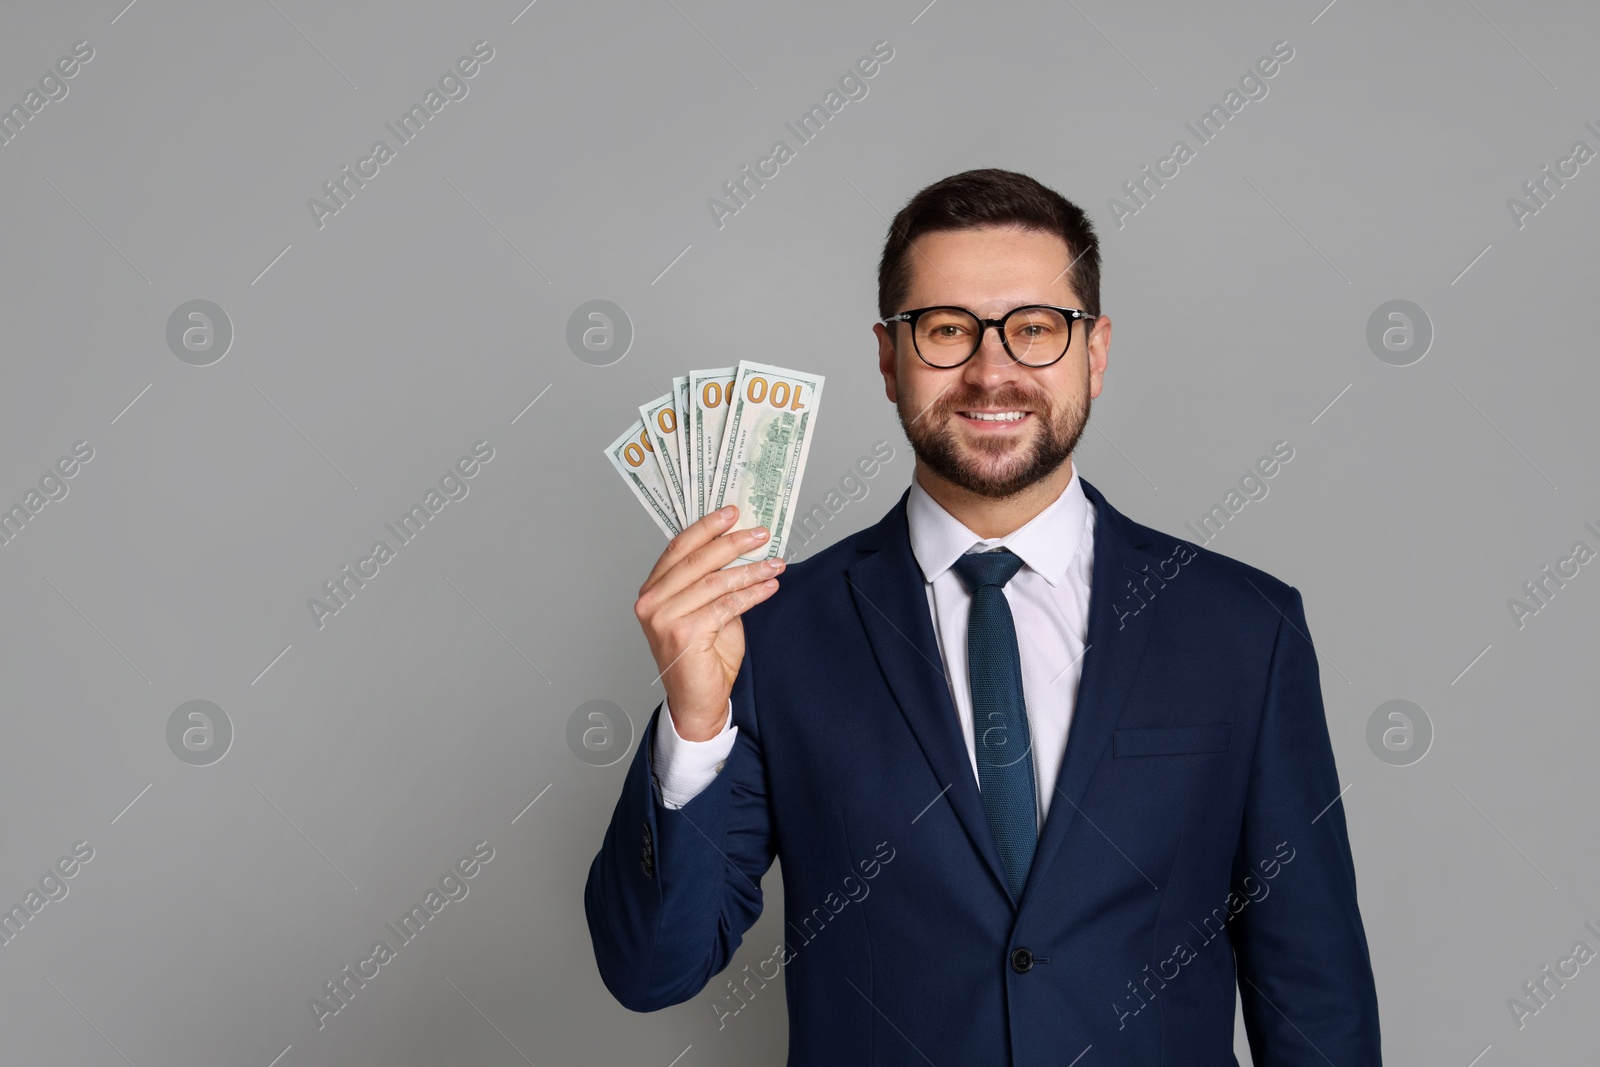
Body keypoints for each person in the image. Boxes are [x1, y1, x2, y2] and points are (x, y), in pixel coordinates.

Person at [585, 168, 1382, 1065]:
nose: (992, 369)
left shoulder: (1244, 630)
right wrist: (695, 722)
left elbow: (1316, 998)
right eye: (947, 329)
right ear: (889, 359)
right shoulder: (772, 634)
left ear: (1097, 352)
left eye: (1036, 329)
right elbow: (652, 968)